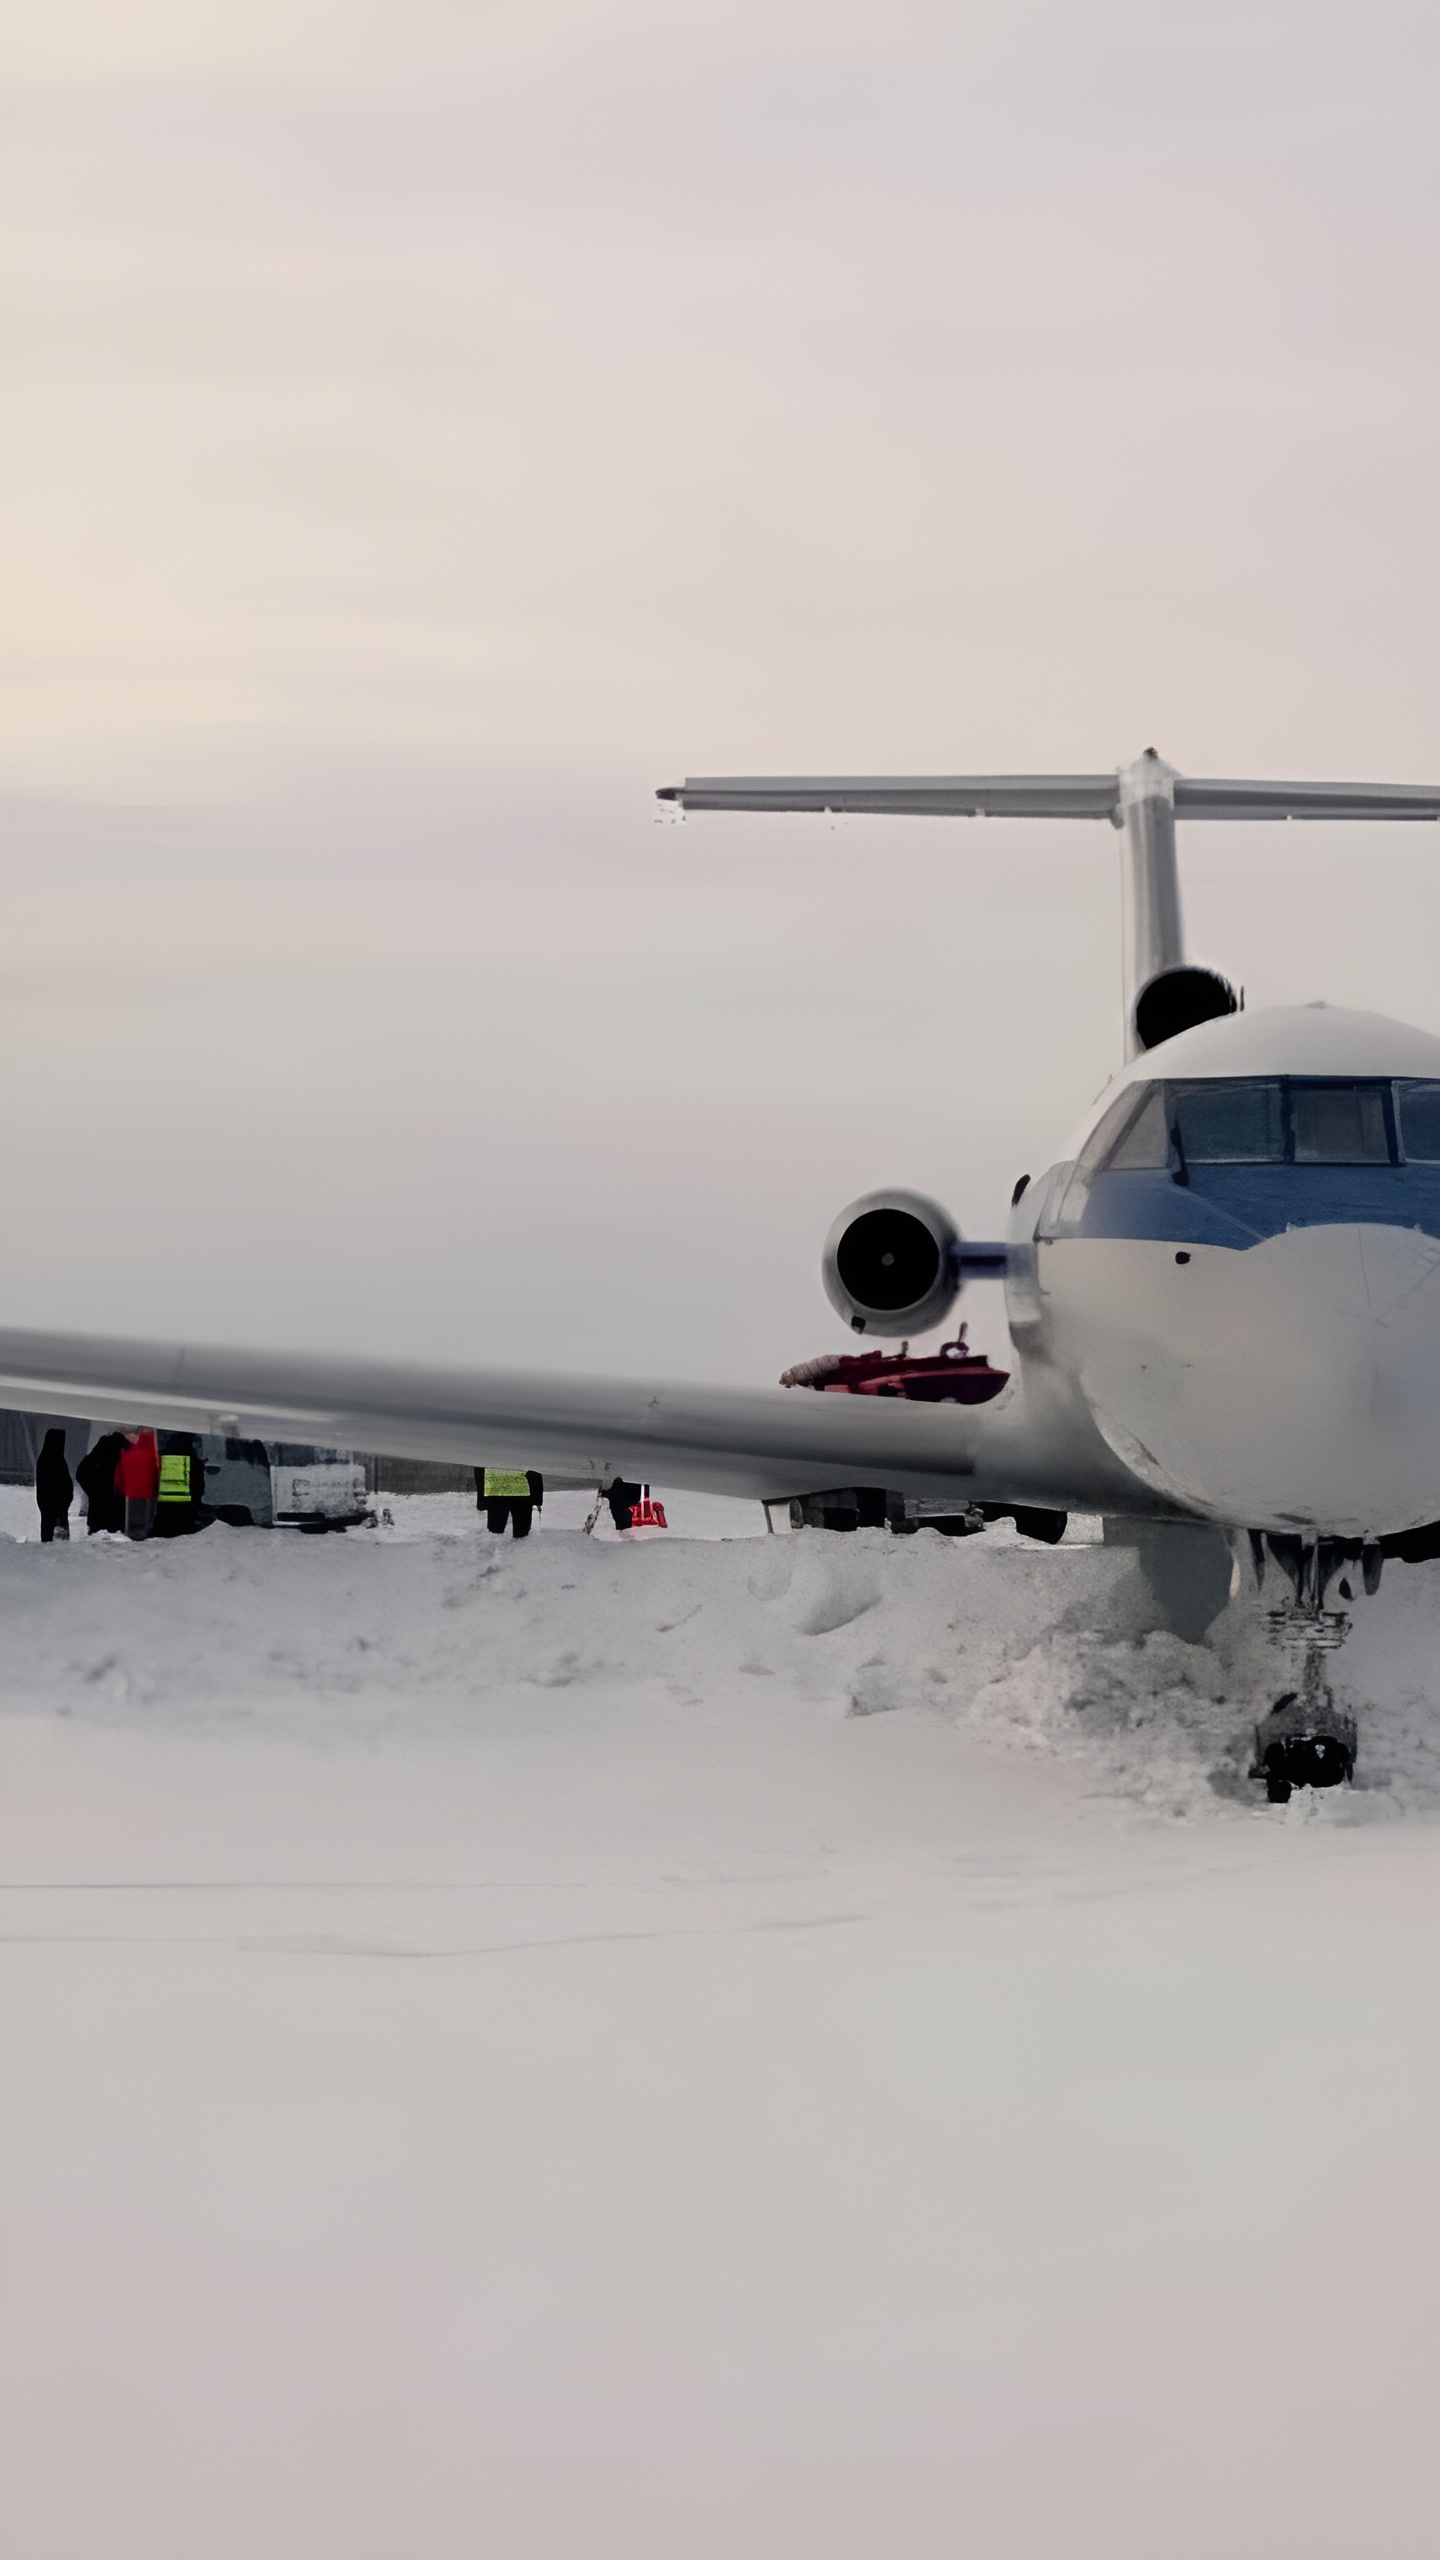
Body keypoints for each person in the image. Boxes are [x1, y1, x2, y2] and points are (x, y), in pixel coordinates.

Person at [153, 1431, 208, 1537]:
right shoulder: (148, 1526)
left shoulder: (190, 1525)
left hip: (185, 1465)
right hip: (166, 1459)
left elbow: (206, 1509)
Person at [76, 1430, 128, 1535]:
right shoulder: (107, 1456)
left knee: (97, 1533)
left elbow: (81, 1473)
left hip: (100, 1507)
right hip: (108, 1504)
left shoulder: (97, 1455)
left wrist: (92, 1492)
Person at [115, 1428, 160, 1542]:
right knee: (147, 1517)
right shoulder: (152, 1446)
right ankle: (146, 1533)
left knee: (131, 1517)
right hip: (150, 1490)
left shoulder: (126, 1446)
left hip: (131, 1490)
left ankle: (132, 1533)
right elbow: (158, 1467)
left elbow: (119, 1469)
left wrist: (119, 1486)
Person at [474, 1467, 543, 1538]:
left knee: (496, 1532)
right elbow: (534, 1468)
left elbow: (480, 1470)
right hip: (520, 1492)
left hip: (497, 1491)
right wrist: (537, 1499)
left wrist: (482, 1501)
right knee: (521, 1533)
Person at [35, 1427, 73, 1543]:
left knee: (50, 1530)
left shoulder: (48, 1458)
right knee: (55, 1534)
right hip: (55, 1505)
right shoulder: (53, 1460)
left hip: (53, 1504)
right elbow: (55, 1484)